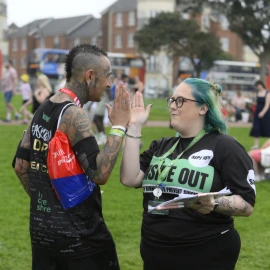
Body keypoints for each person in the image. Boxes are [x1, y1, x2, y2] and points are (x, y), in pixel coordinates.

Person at [13, 43, 131, 270]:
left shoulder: (43, 108)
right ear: (90, 76)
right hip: (80, 240)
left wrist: (47, 203)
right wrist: (119, 126)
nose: (109, 83)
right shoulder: (74, 114)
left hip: (42, 235)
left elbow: (21, 166)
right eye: (107, 76)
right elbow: (99, 173)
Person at [120, 78, 256, 270]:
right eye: (172, 100)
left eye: (181, 101)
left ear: (203, 108)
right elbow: (129, 178)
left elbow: (247, 204)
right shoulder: (161, 146)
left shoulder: (225, 146)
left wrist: (214, 203)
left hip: (205, 252)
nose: (173, 106)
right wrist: (134, 126)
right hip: (155, 250)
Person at [250, 80, 270, 149]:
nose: (258, 87)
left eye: (258, 85)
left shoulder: (267, 93)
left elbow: (267, 104)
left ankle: (268, 144)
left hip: (265, 113)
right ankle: (256, 145)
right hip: (257, 112)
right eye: (257, 86)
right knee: (256, 128)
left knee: (267, 128)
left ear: (261, 85)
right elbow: (256, 103)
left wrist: (263, 112)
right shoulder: (257, 93)